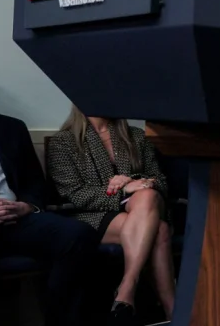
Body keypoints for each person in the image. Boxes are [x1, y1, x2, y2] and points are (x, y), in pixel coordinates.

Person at [47, 106, 172, 326]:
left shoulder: (136, 136)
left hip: (146, 206)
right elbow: (75, 194)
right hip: (95, 215)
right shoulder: (63, 142)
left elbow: (159, 180)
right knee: (159, 229)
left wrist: (131, 181)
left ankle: (126, 288)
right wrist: (122, 191)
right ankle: (174, 310)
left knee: (148, 196)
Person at [0, 111, 98, 326]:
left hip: (17, 219)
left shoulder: (11, 127)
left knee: (77, 234)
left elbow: (35, 184)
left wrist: (26, 206)